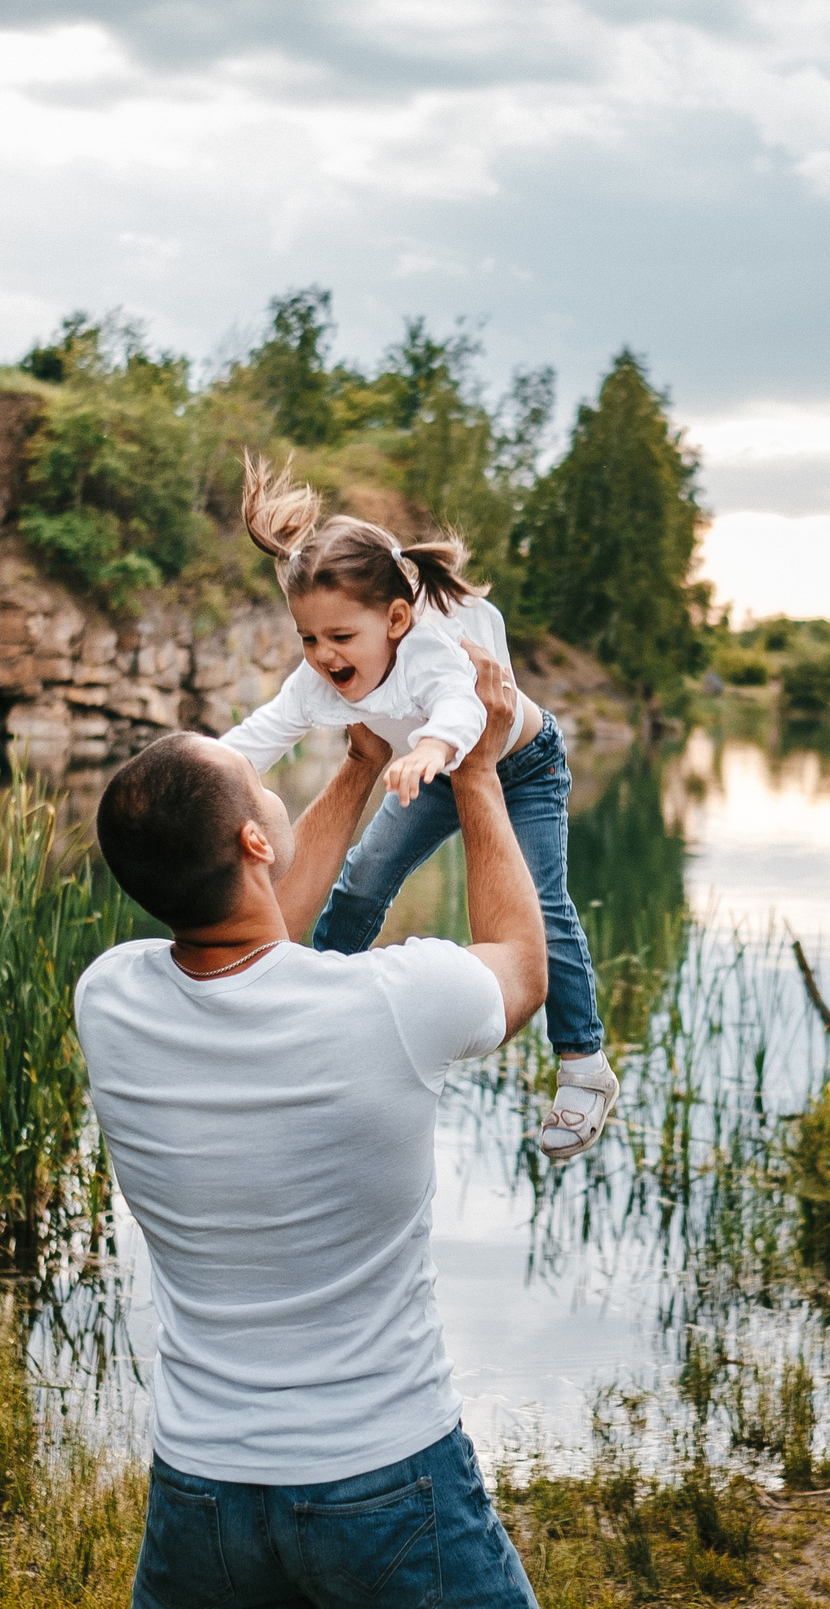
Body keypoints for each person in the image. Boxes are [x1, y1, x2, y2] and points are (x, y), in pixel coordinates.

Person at [76, 646, 545, 1608]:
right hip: (383, 1473)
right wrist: (481, 775)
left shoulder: (110, 998)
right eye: (258, 781)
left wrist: (361, 762)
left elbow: (254, 946)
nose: (268, 780)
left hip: (200, 1493)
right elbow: (520, 965)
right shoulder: (394, 1004)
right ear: (255, 842)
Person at [217, 451, 616, 1161]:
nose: (323, 656)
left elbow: (465, 705)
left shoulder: (429, 647)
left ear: (397, 618)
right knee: (365, 876)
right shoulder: (317, 681)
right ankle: (312, 1008)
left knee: (544, 902)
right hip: (423, 772)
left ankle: (584, 1063)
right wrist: (196, 769)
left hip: (518, 764)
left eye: (341, 638)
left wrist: (433, 749)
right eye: (309, 638)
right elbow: (256, 739)